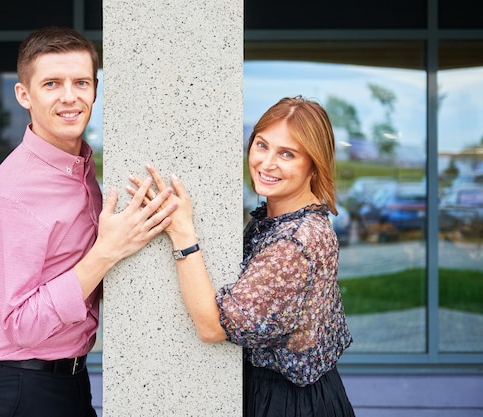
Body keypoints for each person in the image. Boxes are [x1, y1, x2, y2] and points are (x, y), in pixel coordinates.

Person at [0, 26, 176, 417]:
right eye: (52, 84)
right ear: (24, 94)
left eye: (81, 82)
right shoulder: (9, 196)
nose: (69, 97)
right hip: (17, 390)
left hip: (71, 380)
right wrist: (106, 253)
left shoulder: (80, 170)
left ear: (95, 88)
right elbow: (21, 325)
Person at [131, 96, 355, 417]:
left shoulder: (296, 240)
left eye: (287, 154)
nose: (266, 163)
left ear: (314, 163)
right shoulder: (283, 218)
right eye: (262, 145)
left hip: (289, 403)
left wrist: (182, 232)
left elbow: (213, 328)